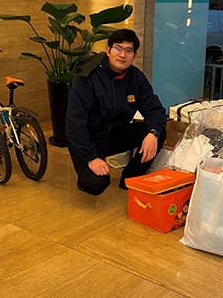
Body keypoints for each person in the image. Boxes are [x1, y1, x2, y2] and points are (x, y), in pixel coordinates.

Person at [66, 29, 167, 195]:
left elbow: (154, 109)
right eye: (118, 48)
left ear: (134, 55)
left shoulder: (136, 77)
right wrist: (91, 158)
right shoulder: (87, 77)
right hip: (89, 138)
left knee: (158, 132)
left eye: (128, 50)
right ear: (108, 50)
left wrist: (153, 133)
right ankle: (85, 175)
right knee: (95, 184)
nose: (122, 55)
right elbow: (74, 123)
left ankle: (130, 179)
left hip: (114, 134)